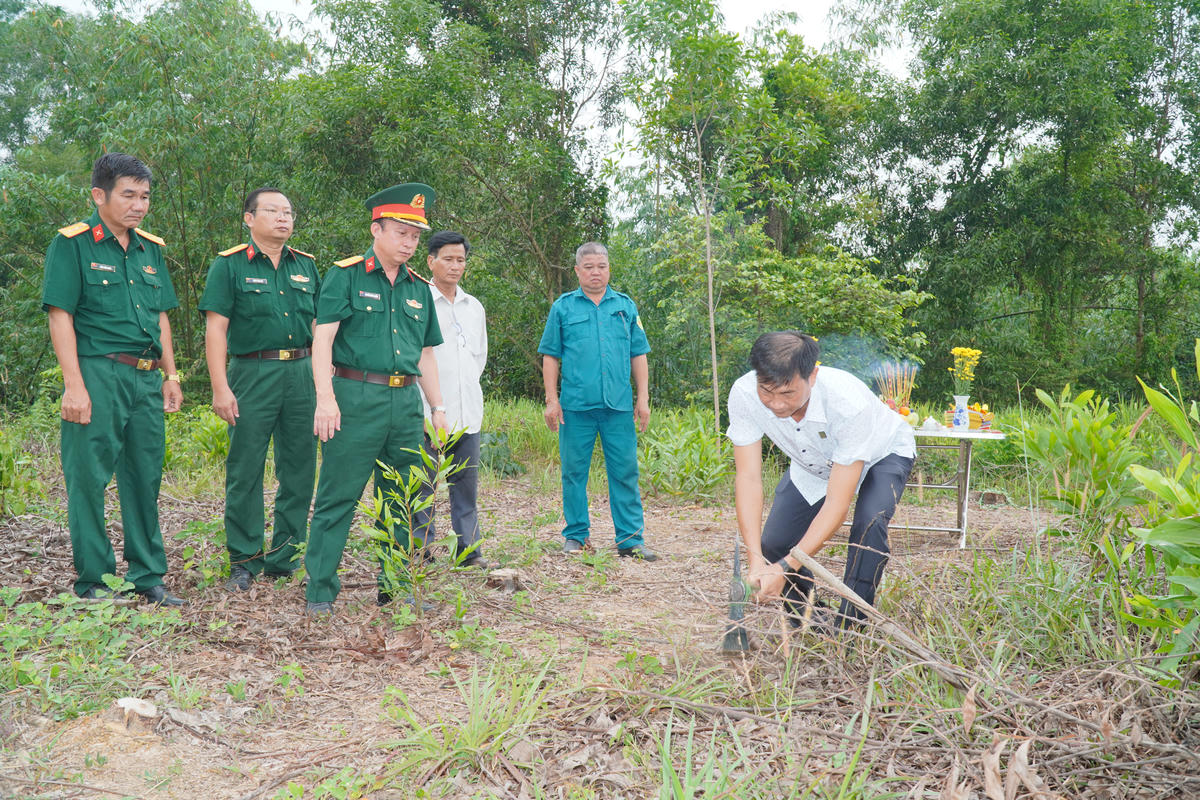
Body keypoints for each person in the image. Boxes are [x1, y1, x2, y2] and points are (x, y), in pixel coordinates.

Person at [41, 152, 184, 605]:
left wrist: (171, 373)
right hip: (98, 371)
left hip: (145, 379)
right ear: (99, 195)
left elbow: (160, 316)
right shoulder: (73, 244)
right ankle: (95, 581)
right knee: (88, 477)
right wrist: (74, 384)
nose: (139, 205)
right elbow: (60, 315)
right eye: (129, 195)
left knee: (144, 477)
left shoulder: (151, 249)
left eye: (144, 196)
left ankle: (148, 575)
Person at [304, 183, 448, 615]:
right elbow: (322, 339)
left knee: (402, 498)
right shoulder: (345, 275)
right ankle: (321, 591)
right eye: (401, 233)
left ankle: (395, 584)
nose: (409, 243)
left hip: (404, 404)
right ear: (376, 230)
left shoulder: (419, 288)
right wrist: (325, 399)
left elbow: (425, 354)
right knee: (337, 496)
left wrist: (437, 408)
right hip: (354, 399)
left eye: (415, 236)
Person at [727, 332, 915, 629]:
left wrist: (787, 566)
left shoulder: (846, 402)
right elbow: (748, 478)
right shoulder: (744, 395)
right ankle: (811, 620)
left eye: (787, 393)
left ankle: (852, 627)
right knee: (774, 542)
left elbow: (837, 506)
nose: (775, 404)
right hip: (813, 464)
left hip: (882, 454)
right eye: (767, 391)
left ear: (812, 375)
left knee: (870, 524)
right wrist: (756, 562)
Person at [199, 188, 321, 591]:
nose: (283, 218)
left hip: (302, 374)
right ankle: (245, 560)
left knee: (300, 469)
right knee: (246, 468)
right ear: (249, 218)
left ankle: (285, 557)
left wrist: (325, 385)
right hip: (252, 374)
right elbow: (216, 329)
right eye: (273, 211)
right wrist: (221, 388)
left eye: (288, 211)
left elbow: (321, 330)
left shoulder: (306, 266)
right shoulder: (229, 266)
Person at [537, 242, 657, 561]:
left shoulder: (625, 306)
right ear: (577, 271)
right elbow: (550, 355)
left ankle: (630, 540)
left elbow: (638, 354)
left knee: (625, 472)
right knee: (574, 473)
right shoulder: (563, 308)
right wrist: (552, 400)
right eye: (588, 267)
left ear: (609, 269)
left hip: (618, 407)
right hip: (575, 407)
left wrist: (642, 399)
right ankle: (576, 537)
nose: (595, 272)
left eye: (601, 266)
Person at [414, 231, 489, 569]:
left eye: (461, 260)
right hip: (427, 412)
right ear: (431, 261)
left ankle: (468, 551)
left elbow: (479, 358)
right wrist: (429, 406)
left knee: (465, 488)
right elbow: (415, 357)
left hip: (467, 411)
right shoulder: (418, 300)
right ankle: (421, 550)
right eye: (448, 258)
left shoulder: (474, 307)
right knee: (421, 486)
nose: (455, 266)